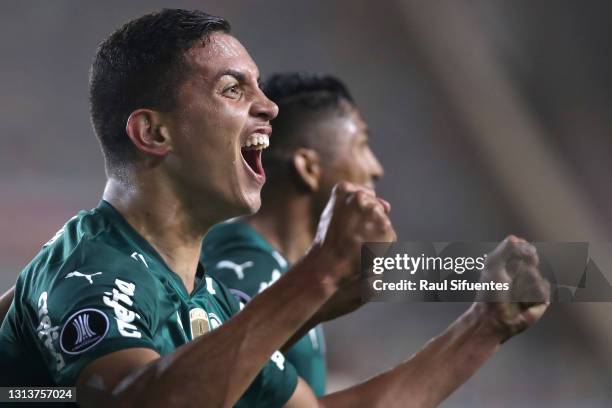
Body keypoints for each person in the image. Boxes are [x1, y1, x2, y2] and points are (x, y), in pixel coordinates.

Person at [0, 9, 549, 408]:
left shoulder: (208, 299)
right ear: (153, 131)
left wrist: (486, 324)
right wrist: (321, 274)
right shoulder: (98, 267)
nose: (268, 106)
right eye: (233, 90)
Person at [201, 72, 383, 396]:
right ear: (308, 168)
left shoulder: (285, 274)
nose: (375, 168)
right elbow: (203, 391)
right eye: (362, 145)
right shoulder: (248, 274)